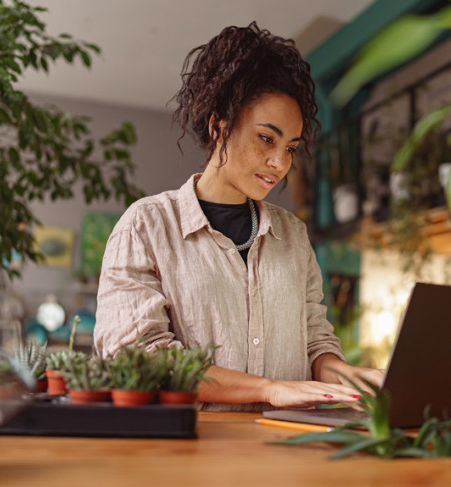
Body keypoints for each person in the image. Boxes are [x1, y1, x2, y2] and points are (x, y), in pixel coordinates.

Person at [94, 22, 383, 412]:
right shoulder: (146, 226)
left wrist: (355, 378)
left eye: (290, 147)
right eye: (267, 138)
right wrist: (267, 389)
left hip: (287, 457)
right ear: (219, 126)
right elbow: (139, 359)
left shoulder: (292, 235)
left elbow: (315, 343)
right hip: (190, 460)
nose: (280, 163)